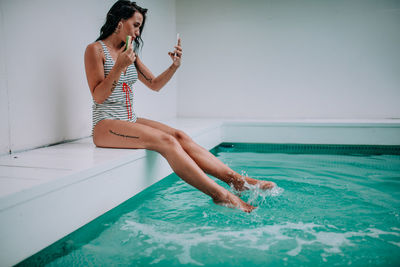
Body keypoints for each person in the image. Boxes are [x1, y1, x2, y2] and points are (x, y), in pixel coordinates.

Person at [84, 0, 275, 213]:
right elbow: (98, 96)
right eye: (136, 25)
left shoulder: (129, 53)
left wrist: (174, 66)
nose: (138, 33)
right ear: (119, 22)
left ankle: (236, 181)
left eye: (140, 27)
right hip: (105, 125)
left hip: (128, 118)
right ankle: (220, 195)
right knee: (167, 141)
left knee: (180, 135)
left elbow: (154, 84)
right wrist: (119, 66)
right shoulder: (95, 50)